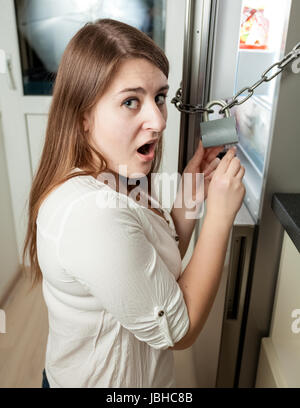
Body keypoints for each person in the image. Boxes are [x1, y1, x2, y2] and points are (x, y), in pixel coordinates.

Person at [22, 18, 245, 388]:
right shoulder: (91, 215)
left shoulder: (114, 175)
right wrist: (220, 218)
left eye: (159, 97)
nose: (157, 120)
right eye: (131, 101)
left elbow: (157, 264)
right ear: (83, 118)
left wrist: (192, 188)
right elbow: (178, 330)